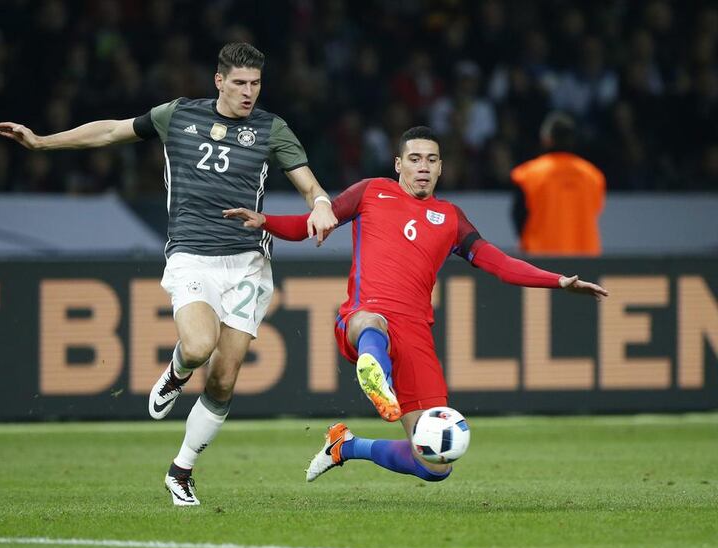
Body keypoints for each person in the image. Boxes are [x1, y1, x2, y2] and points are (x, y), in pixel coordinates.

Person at [0, 43, 337, 506]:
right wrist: (42, 141)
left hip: (248, 263)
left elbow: (310, 185)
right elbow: (112, 130)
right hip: (192, 255)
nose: (248, 93)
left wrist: (319, 205)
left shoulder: (271, 129)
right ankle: (177, 373)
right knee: (198, 346)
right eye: (239, 83)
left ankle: (181, 470)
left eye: (255, 84)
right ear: (219, 81)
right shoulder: (177, 115)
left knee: (224, 379)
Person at [224, 126, 607, 484]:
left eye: (431, 160)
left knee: (434, 464)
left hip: (416, 337)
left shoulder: (451, 220)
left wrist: (557, 281)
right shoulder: (371, 192)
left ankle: (346, 446)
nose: (423, 167)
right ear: (398, 164)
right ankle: (376, 370)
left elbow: (500, 264)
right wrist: (265, 221)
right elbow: (311, 223)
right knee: (370, 323)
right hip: (363, 317)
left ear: (441, 167)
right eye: (415, 158)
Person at [511, 111, 606, 256]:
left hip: (542, 261)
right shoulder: (593, 176)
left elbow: (519, 216)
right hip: (586, 260)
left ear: (547, 139)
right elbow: (597, 209)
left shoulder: (528, 175)